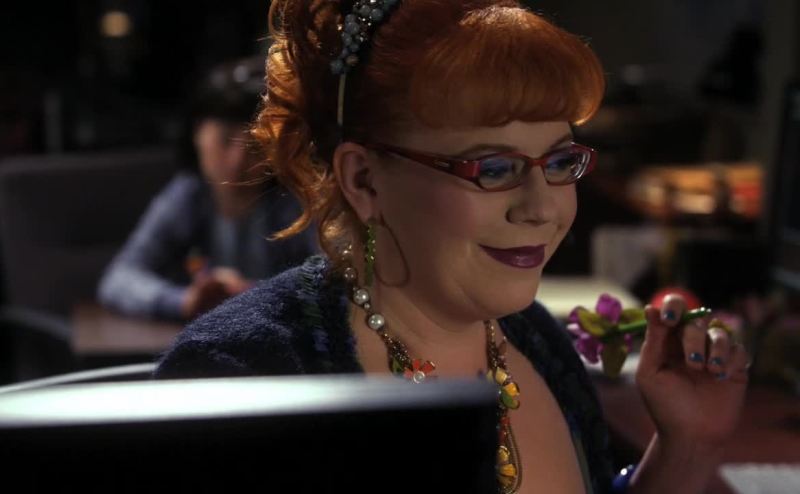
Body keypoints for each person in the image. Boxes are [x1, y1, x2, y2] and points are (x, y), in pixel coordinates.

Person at [155, 1, 749, 493]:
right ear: (364, 179)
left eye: (559, 162)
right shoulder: (243, 373)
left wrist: (688, 445)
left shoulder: (537, 340)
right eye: (494, 167)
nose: (542, 208)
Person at [98, 59, 316, 321]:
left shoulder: (294, 201)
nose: (237, 162)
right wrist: (184, 300)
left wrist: (254, 295)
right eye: (224, 140)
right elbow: (119, 279)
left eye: (256, 146)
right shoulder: (188, 196)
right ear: (197, 135)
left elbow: (330, 286)